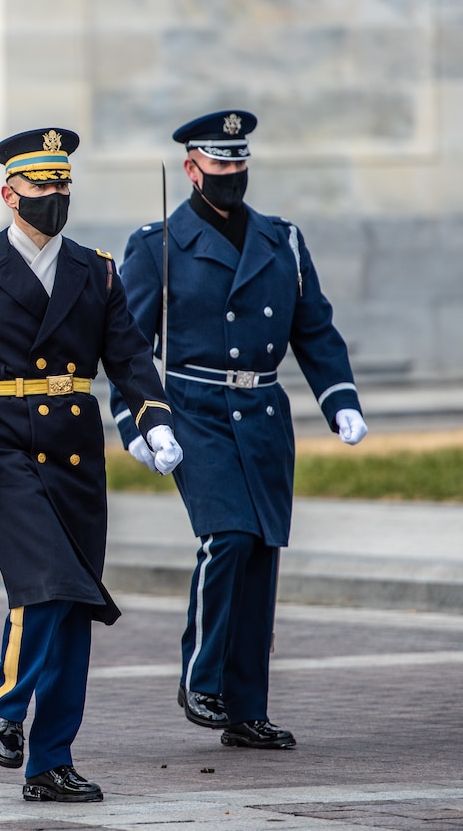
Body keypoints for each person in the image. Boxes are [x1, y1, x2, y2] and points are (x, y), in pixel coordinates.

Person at [0, 128, 182, 803]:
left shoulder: (97, 270)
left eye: (64, 185)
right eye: (42, 186)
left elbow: (129, 362)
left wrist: (155, 424)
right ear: (9, 194)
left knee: (73, 602)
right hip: (2, 451)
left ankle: (51, 760)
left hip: (75, 455)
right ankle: (5, 705)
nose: (56, 196)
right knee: (46, 586)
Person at [109, 110, 368, 750]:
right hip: (193, 411)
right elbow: (127, 348)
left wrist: (341, 399)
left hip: (264, 416)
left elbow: (313, 329)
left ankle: (246, 709)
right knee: (225, 537)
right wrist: (136, 422)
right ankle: (202, 677)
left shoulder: (283, 240)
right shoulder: (156, 246)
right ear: (191, 168)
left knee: (259, 555)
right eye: (218, 164)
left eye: (238, 162)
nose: (230, 174)